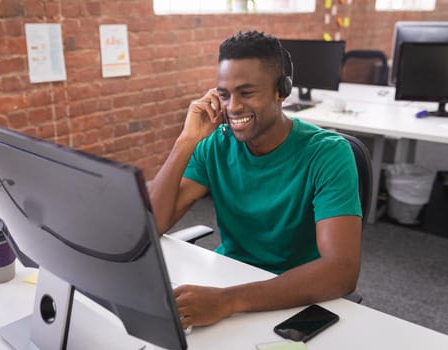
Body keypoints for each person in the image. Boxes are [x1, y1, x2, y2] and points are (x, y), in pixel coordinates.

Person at [148, 31, 362, 329]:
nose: (232, 106)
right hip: (228, 278)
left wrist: (228, 301)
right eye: (224, 94)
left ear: (281, 91)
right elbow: (151, 222)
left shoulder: (327, 154)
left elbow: (342, 271)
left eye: (246, 93)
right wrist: (186, 141)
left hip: (295, 293)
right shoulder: (215, 145)